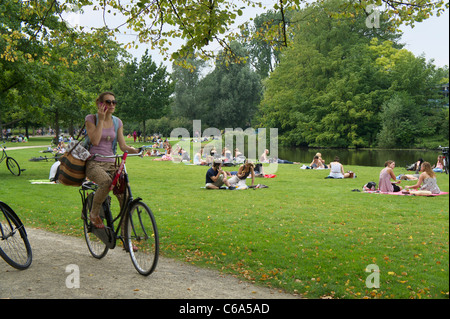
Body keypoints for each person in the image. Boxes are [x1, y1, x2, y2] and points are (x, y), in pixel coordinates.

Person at [85, 92, 140, 229]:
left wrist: (137, 151)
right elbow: (95, 141)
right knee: (106, 182)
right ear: (100, 104)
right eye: (108, 102)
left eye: (114, 102)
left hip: (111, 163)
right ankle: (94, 213)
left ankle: (126, 236)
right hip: (94, 163)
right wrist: (102, 120)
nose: (112, 105)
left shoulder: (117, 122)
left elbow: (122, 146)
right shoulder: (91, 119)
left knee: (126, 197)